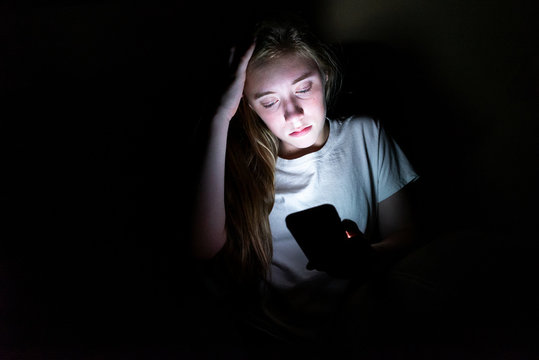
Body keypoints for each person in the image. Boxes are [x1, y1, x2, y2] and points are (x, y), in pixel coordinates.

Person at [190, 18, 420, 357]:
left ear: (324, 77)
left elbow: (406, 232)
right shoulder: (244, 162)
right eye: (269, 101)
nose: (293, 113)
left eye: (303, 88)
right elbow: (202, 249)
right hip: (270, 334)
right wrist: (221, 116)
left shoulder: (365, 135)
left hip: (354, 325)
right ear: (249, 106)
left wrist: (367, 256)